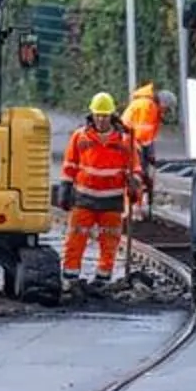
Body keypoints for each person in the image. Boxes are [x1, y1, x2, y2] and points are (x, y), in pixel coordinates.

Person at [53, 92, 144, 291]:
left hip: (111, 202)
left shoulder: (125, 141)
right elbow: (70, 165)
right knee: (75, 239)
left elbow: (136, 169)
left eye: (105, 115)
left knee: (109, 242)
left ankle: (103, 280)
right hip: (84, 199)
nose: (101, 119)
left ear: (112, 115)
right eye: (98, 115)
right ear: (91, 115)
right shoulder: (80, 137)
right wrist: (65, 189)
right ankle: (70, 277)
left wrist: (134, 186)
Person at [120, 84, 179, 219]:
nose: (166, 113)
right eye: (167, 109)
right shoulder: (147, 107)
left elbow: (147, 136)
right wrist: (144, 154)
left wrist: (150, 153)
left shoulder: (152, 107)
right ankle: (131, 209)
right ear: (162, 104)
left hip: (136, 141)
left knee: (143, 175)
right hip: (130, 142)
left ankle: (137, 207)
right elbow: (139, 133)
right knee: (136, 175)